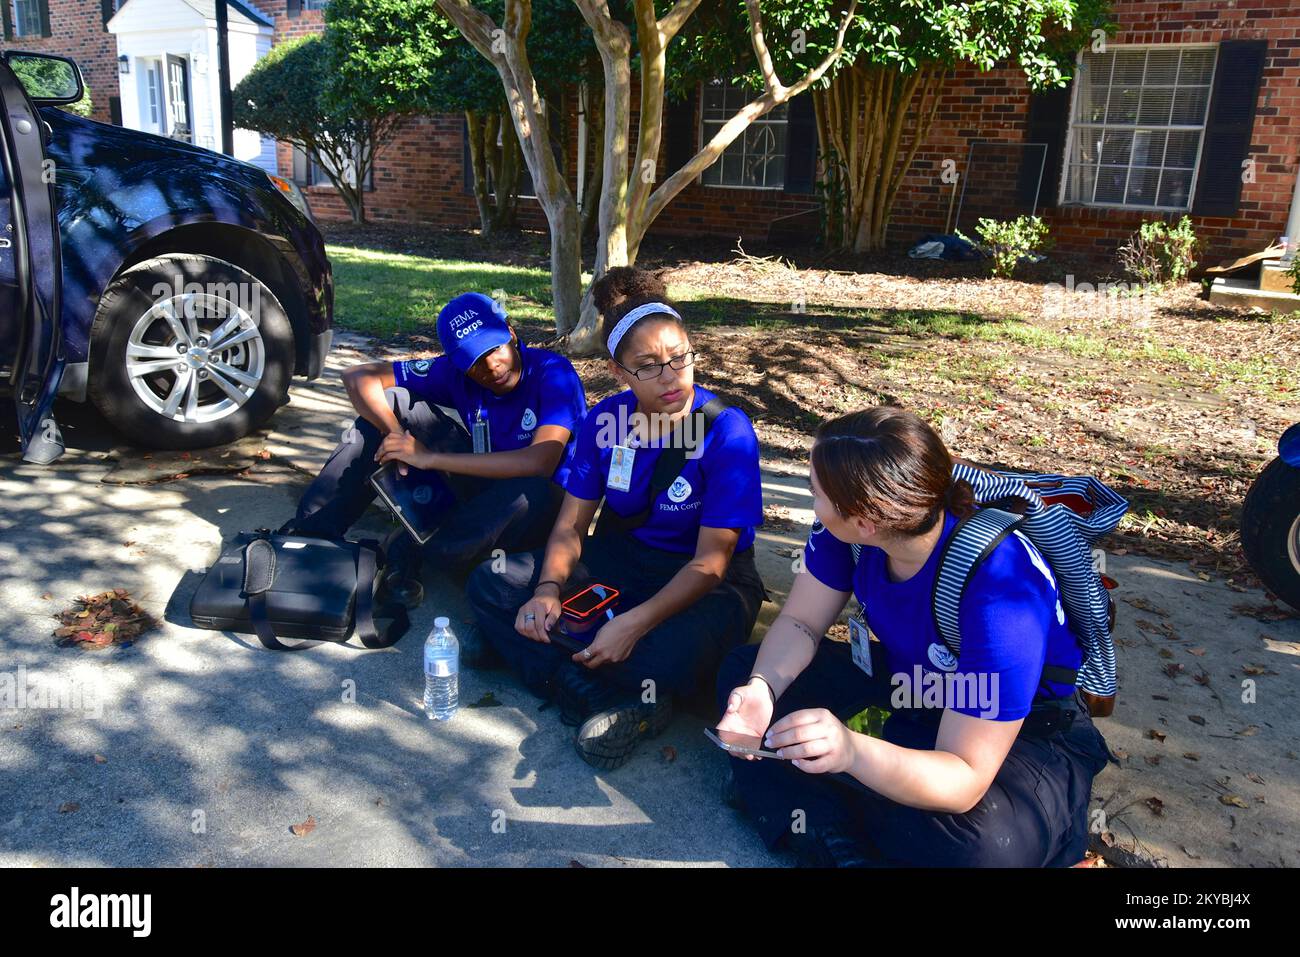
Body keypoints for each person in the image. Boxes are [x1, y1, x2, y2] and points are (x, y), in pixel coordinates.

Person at [715, 406, 1113, 867]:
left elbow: (964, 777)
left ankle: (798, 799)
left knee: (981, 847)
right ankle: (834, 834)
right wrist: (764, 688)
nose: (813, 500)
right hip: (918, 684)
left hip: (1026, 730)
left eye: (816, 492)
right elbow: (801, 623)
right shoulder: (851, 531)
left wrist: (850, 751)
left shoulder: (1000, 585)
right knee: (745, 672)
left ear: (865, 519)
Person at [467, 267, 767, 770]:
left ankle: (548, 659)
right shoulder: (606, 422)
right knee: (490, 583)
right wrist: (545, 590)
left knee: (670, 653)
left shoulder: (726, 431)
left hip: (705, 579)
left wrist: (631, 623)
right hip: (623, 561)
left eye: (679, 358)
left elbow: (712, 564)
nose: (671, 376)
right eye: (648, 365)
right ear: (619, 372)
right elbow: (569, 526)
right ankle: (597, 690)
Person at [288, 292, 588, 613]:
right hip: (483, 485)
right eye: (473, 360)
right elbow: (358, 377)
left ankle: (415, 549)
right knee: (394, 403)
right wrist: (397, 436)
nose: (490, 365)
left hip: (540, 507)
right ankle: (310, 535)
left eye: (494, 348)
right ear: (458, 362)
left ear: (511, 333)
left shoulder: (554, 372)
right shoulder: (455, 372)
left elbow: (540, 462)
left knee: (532, 491)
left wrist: (428, 457)